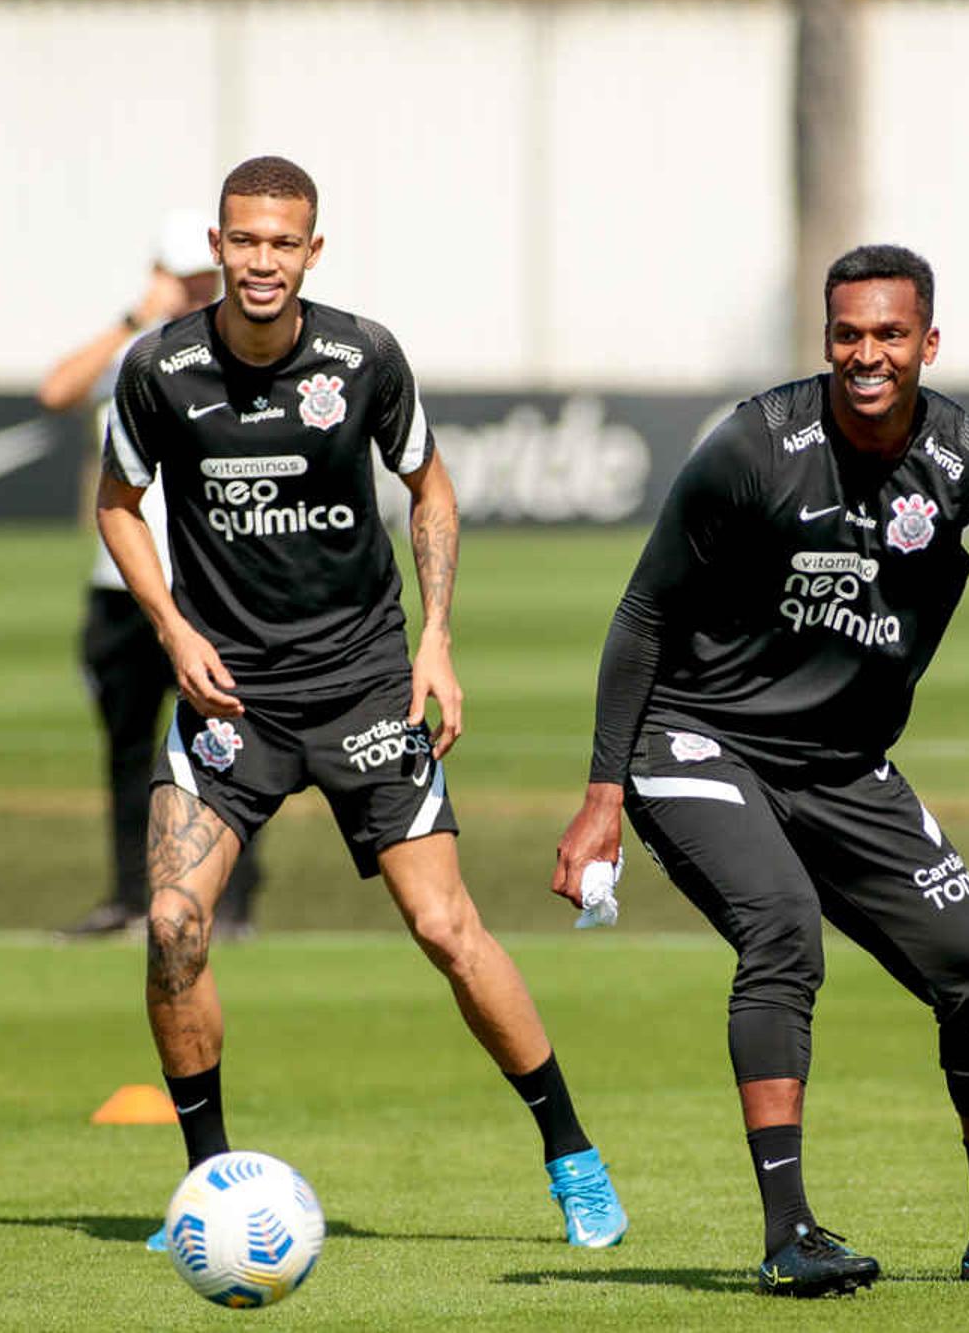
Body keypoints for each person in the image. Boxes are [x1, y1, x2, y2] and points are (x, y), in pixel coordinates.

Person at [553, 244, 969, 1295]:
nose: (868, 355)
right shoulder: (752, 446)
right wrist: (599, 801)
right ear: (828, 341)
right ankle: (788, 1238)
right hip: (696, 740)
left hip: (845, 766)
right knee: (782, 934)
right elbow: (643, 614)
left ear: (928, 343)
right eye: (849, 335)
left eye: (890, 336)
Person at [98, 156, 626, 1252]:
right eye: (243, 241)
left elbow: (429, 488)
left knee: (445, 926)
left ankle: (574, 1159)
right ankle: (209, 1187)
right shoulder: (159, 369)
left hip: (364, 686)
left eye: (282, 243)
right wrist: (172, 626)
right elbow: (119, 504)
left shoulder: (364, 357)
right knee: (173, 925)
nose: (261, 262)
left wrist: (434, 642)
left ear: (312, 251)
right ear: (216, 245)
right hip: (228, 695)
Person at [43, 210, 263, 940]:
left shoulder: (235, 345)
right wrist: (135, 316)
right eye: (186, 277)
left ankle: (229, 901)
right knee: (128, 744)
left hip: (212, 581)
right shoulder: (130, 348)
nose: (200, 287)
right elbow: (55, 391)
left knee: (228, 744)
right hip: (121, 584)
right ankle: (129, 895)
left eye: (205, 275)